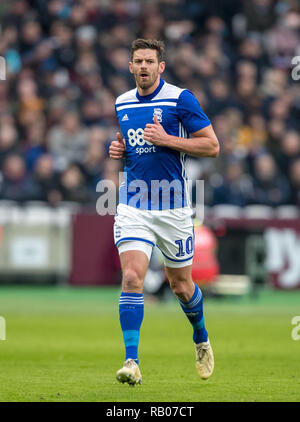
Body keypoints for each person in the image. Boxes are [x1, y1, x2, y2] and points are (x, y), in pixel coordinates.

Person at [109, 39, 219, 386]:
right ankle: (132, 361)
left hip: (172, 206)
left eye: (149, 61)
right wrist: (120, 149)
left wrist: (168, 139)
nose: (143, 66)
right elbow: (135, 150)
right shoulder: (122, 102)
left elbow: (212, 146)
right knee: (131, 278)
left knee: (181, 285)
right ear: (130, 67)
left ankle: (200, 337)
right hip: (134, 204)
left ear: (161, 67)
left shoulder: (180, 99)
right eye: (137, 61)